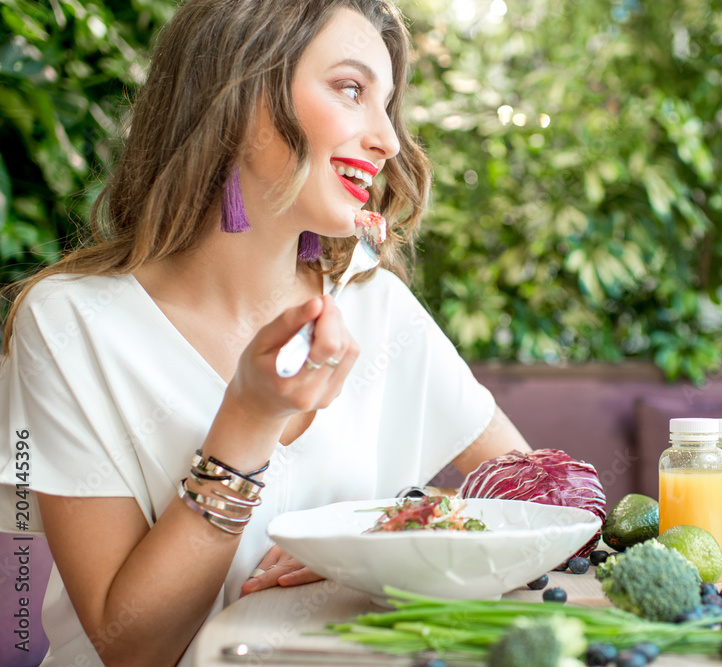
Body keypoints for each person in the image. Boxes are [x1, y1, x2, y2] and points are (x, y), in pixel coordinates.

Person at [0, 1, 531, 665]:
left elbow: (537, 496)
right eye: (350, 89)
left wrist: (375, 538)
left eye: (386, 104)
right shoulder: (70, 323)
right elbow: (131, 646)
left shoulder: (378, 308)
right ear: (242, 94)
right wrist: (249, 419)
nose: (389, 140)